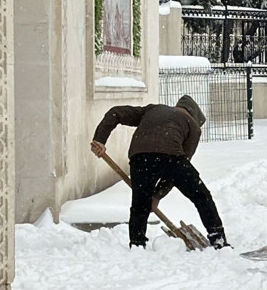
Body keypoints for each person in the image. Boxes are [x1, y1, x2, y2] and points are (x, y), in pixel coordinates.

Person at [90, 95, 228, 250]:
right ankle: (218, 239)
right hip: (171, 156)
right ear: (195, 117)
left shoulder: (153, 109)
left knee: (140, 203)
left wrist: (100, 139)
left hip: (139, 156)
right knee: (201, 196)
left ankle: (137, 243)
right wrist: (158, 195)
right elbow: (181, 164)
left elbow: (115, 113)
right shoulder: (193, 127)